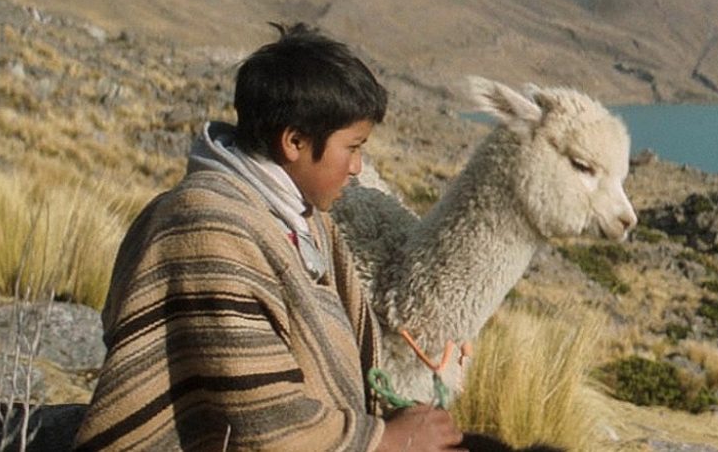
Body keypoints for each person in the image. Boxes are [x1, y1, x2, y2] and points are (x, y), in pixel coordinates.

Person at [74, 23, 465, 451]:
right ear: (294, 141)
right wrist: (384, 441)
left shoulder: (303, 220)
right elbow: (263, 421)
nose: (357, 167)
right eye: (352, 148)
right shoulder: (208, 230)